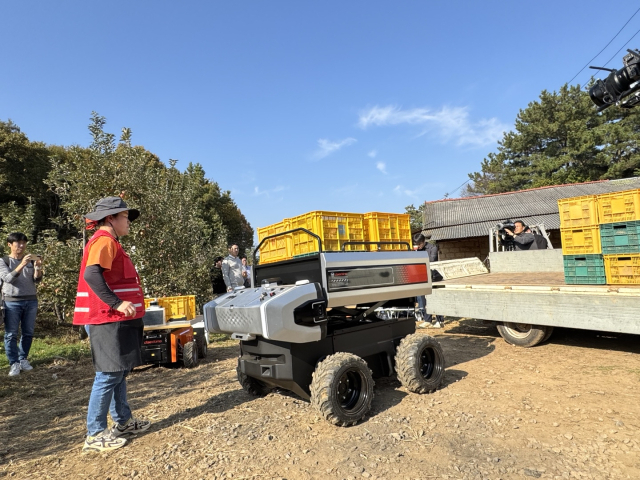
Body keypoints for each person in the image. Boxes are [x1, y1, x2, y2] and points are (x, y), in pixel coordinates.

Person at [73, 197, 150, 453]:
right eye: (125, 216)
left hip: (113, 319)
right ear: (110, 219)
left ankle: (123, 422)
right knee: (108, 375)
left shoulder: (110, 241)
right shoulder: (104, 240)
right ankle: (95, 434)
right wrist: (116, 303)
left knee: (118, 371)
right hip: (107, 318)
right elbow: (91, 274)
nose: (128, 221)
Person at [1, 232, 43, 377]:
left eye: (24, 242)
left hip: (31, 300)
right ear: (9, 245)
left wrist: (37, 267)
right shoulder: (4, 261)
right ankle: (14, 363)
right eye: (18, 243)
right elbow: (8, 279)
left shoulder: (30, 260)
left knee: (28, 332)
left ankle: (23, 359)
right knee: (11, 334)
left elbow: (37, 280)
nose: (21, 245)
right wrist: (22, 264)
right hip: (12, 301)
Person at [413, 233, 444, 328]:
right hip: (422, 277)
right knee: (423, 299)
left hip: (434, 276)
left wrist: (419, 258)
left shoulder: (432, 247)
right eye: (416, 244)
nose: (417, 246)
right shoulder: (417, 250)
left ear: (423, 242)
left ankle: (440, 320)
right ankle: (428, 320)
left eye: (419, 244)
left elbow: (432, 260)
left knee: (435, 298)